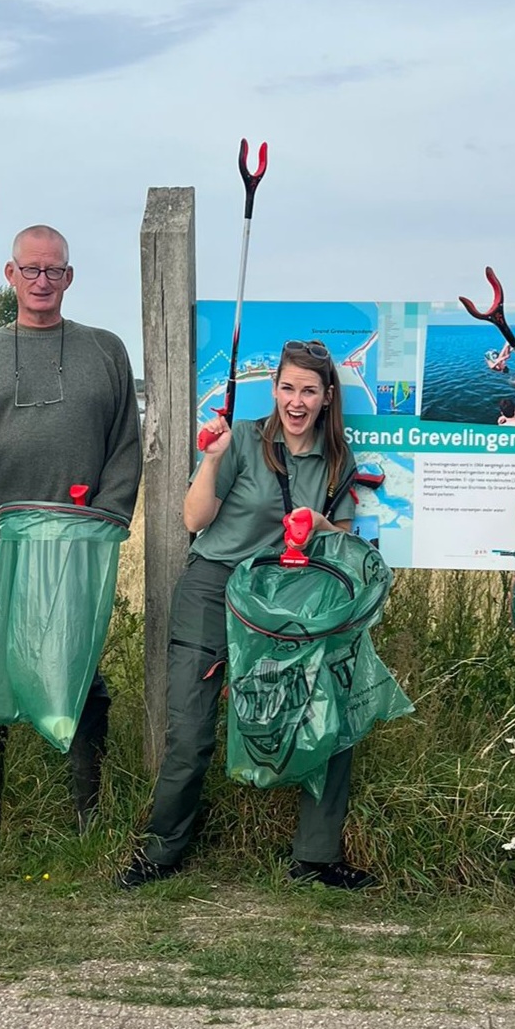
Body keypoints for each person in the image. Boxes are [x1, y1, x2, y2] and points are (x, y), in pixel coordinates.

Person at [118, 339, 376, 892]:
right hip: (215, 589)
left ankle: (315, 857)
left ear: (328, 396)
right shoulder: (243, 441)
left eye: (309, 390)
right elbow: (194, 517)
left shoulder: (339, 459)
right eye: (288, 388)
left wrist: (320, 527)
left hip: (289, 595)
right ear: (274, 390)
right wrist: (211, 457)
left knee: (326, 714)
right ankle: (161, 851)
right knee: (189, 730)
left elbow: (344, 538)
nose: (297, 401)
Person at [0, 224, 141, 854]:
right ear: (10, 275)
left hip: (77, 538)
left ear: (69, 277)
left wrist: (107, 519)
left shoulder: (105, 349)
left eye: (54, 271)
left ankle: (88, 814)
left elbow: (125, 444)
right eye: (31, 271)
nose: (42, 282)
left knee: (81, 671)